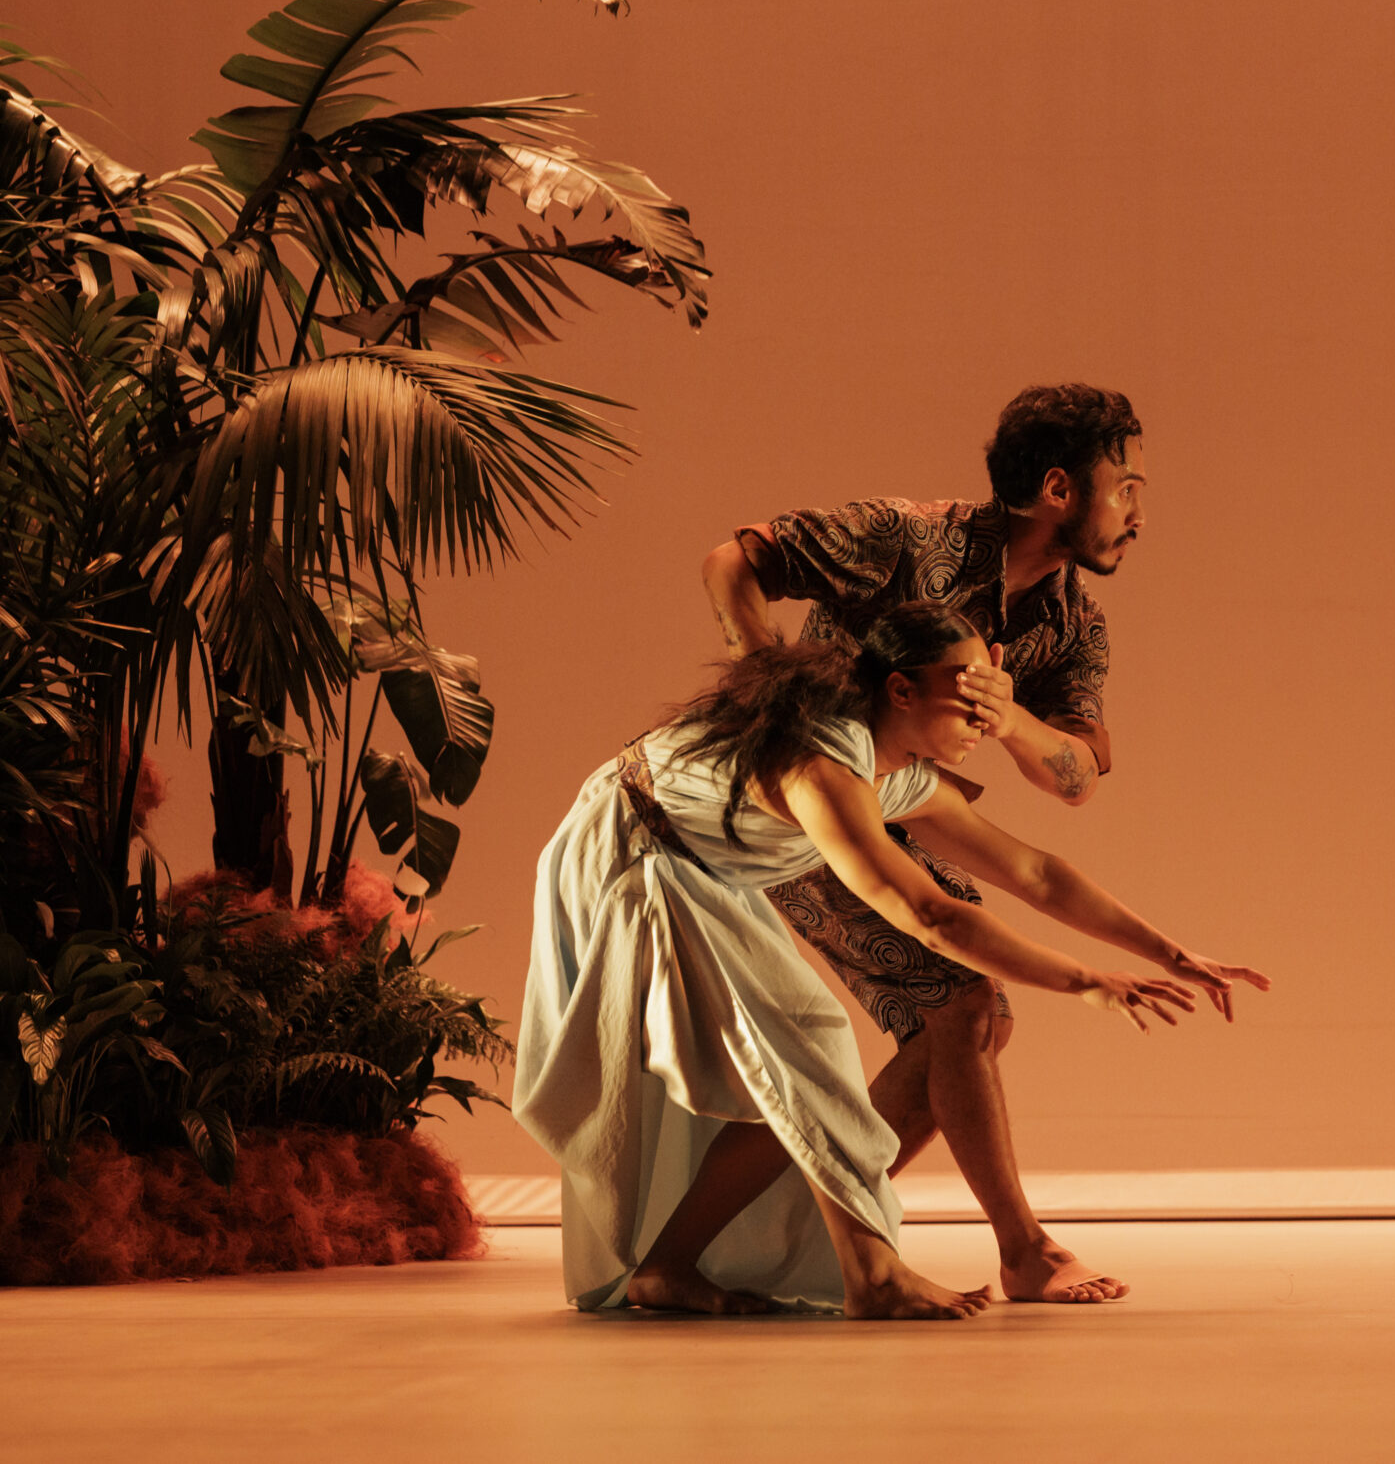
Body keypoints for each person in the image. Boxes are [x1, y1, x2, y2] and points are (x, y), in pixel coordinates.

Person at [698, 383, 1269, 1303]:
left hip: (910, 803)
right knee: (964, 1000)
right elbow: (735, 560)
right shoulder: (903, 536)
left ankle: (786, 1229)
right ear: (1058, 488)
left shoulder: (1074, 623)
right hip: (810, 807)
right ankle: (1019, 1248)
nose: (1139, 516)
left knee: (978, 1021)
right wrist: (771, 689)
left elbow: (1074, 779)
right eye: (1126, 489)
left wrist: (1011, 722)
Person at [513, 603, 1235, 1318]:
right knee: (803, 1047)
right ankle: (869, 1271)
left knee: (793, 1060)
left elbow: (1035, 872)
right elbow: (928, 914)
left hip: (699, 870)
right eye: (967, 691)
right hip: (628, 854)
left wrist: (1168, 952)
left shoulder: (897, 773)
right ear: (901, 690)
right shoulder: (819, 761)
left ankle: (669, 1267)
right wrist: (1085, 981)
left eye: (992, 692)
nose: (985, 716)